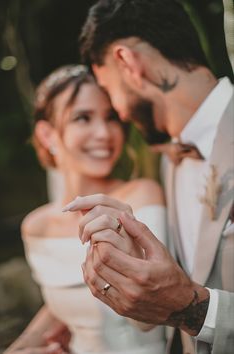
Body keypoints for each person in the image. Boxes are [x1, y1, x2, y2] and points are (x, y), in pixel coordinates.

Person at [62, 1, 234, 353]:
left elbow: (187, 300)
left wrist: (192, 308)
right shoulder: (170, 162)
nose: (121, 115)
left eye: (110, 92)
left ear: (128, 63)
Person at [5, 65, 167, 354]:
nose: (104, 133)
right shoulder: (36, 226)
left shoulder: (142, 195)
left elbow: (155, 312)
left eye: (111, 118)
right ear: (47, 135)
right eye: (83, 118)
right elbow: (58, 305)